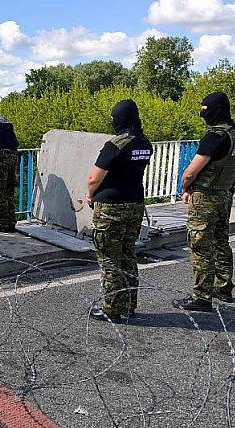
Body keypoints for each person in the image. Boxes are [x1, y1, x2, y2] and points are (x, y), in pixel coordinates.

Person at [173, 92, 235, 312]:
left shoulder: (215, 137)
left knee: (200, 245)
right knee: (220, 240)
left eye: (205, 109)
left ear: (215, 110)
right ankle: (224, 287)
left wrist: (186, 188)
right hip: (225, 194)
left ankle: (201, 297)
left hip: (206, 197)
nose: (202, 113)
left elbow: (191, 172)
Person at [86, 99, 153, 324]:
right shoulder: (145, 143)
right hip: (135, 204)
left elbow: (95, 177)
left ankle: (112, 308)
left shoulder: (115, 144)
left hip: (111, 207)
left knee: (109, 258)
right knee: (127, 254)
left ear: (121, 119)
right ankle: (129, 305)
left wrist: (90, 195)